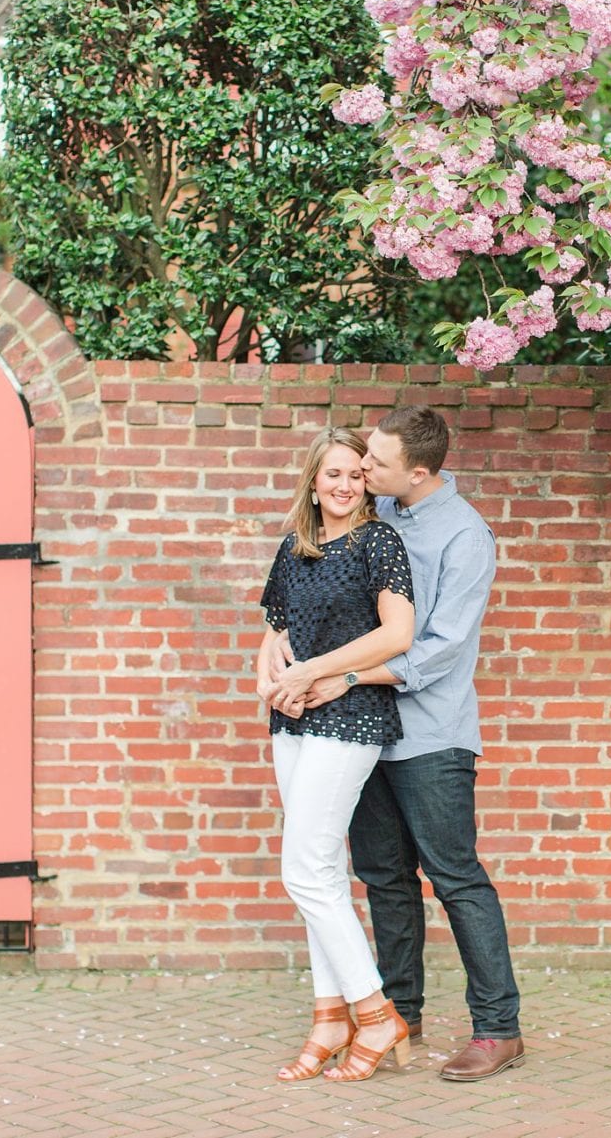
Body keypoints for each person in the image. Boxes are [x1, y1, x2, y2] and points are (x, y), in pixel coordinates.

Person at [271, 405, 525, 1082]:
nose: (364, 470)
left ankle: (498, 1026)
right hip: (359, 734)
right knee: (382, 877)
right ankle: (396, 1012)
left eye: (376, 464)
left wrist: (342, 673)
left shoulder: (465, 536)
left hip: (431, 734)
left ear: (418, 471)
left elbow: (438, 649)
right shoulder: (378, 520)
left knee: (456, 877)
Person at [256, 427, 417, 1085]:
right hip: (292, 722)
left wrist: (316, 669)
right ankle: (330, 1017)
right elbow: (270, 640)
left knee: (303, 870)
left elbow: (398, 634)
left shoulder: (380, 542)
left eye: (356, 473)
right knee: (318, 869)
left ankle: (375, 1012)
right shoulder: (293, 550)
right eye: (333, 475)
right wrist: (275, 683)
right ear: (314, 483)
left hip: (351, 718)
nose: (345, 484)